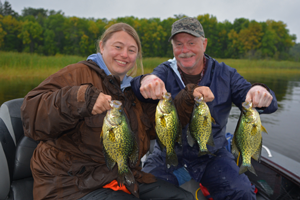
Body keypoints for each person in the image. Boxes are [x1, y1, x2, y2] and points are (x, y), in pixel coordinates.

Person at [21, 23, 195, 200]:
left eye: (132, 50)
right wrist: (81, 98)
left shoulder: (131, 90)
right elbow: (30, 113)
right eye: (118, 47)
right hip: (71, 186)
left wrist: (188, 98)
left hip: (123, 177)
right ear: (102, 46)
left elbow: (162, 127)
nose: (124, 55)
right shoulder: (77, 73)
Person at [130, 17, 278, 200]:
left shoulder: (226, 74)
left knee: (242, 192)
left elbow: (269, 105)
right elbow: (137, 88)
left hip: (214, 155)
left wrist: (261, 91)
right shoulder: (165, 72)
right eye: (178, 44)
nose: (185, 51)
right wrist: (144, 81)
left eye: (191, 43)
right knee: (142, 191)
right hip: (168, 153)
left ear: (204, 44)